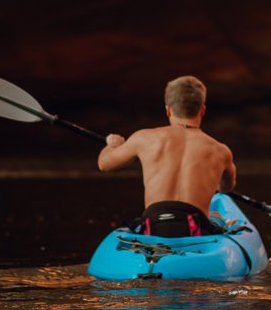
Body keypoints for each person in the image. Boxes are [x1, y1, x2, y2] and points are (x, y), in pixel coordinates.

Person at [96, 75, 237, 237]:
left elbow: (104, 164)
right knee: (217, 216)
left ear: (168, 110)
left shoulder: (143, 138)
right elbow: (227, 187)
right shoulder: (220, 150)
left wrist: (112, 144)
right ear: (203, 110)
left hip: (154, 225)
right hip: (194, 229)